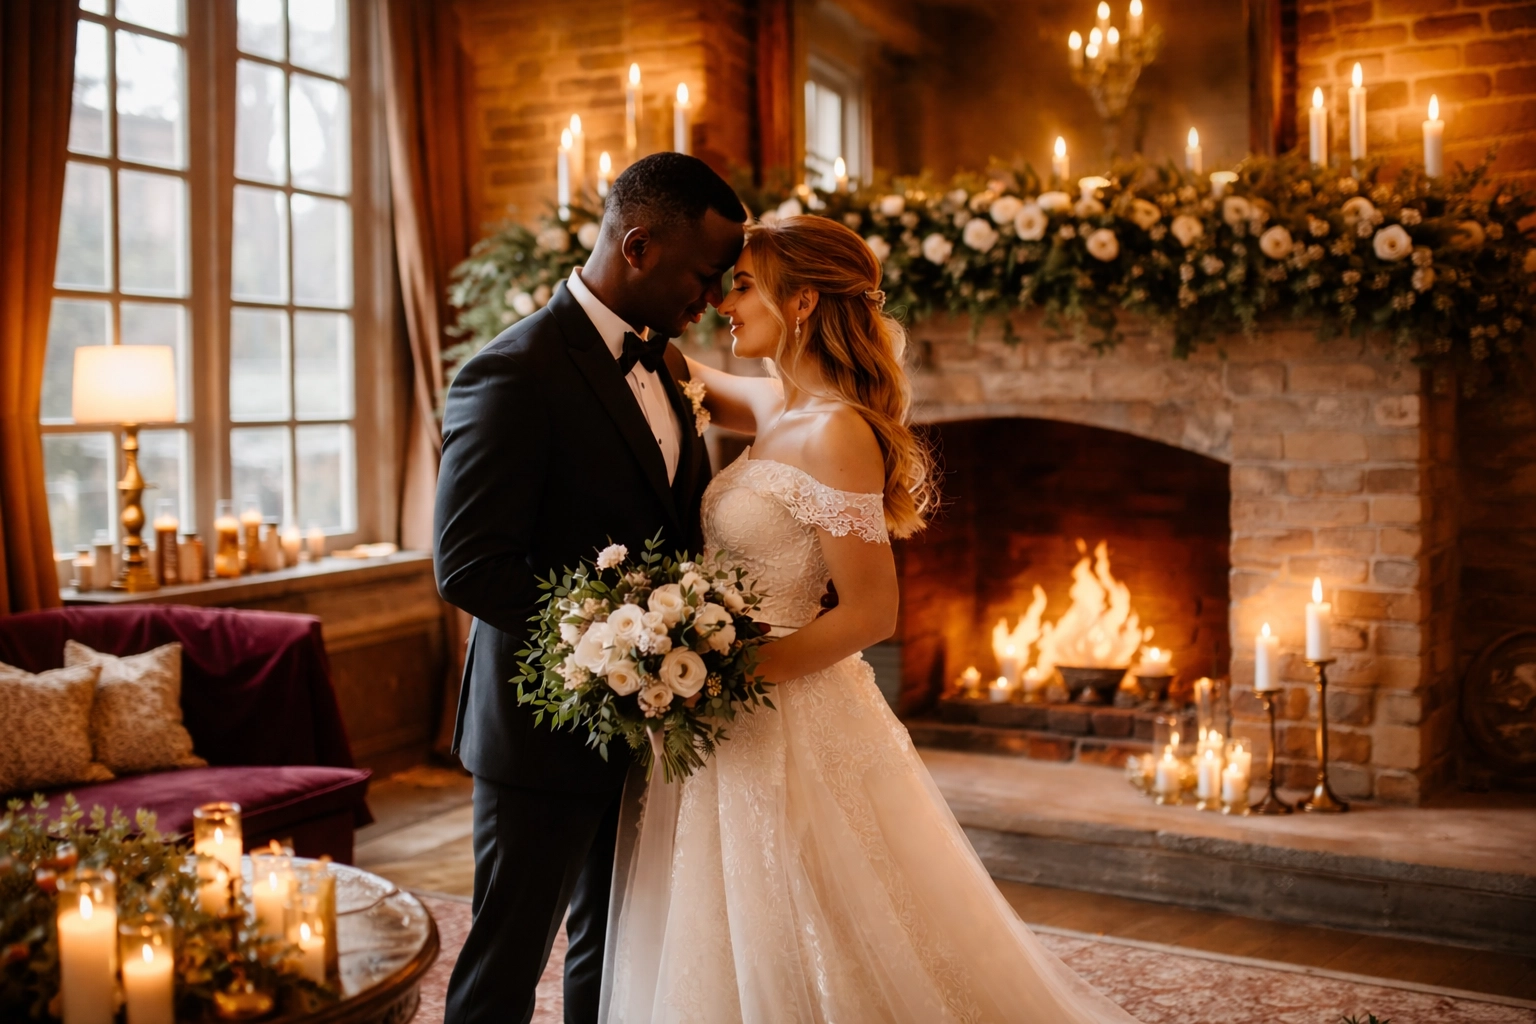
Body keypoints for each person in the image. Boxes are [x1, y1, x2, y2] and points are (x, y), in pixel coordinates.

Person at [599, 215, 1141, 1023]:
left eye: (742, 286)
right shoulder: (777, 402)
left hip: (782, 706)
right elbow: (673, 365)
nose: (723, 303)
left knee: (827, 917)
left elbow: (874, 611)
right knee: (729, 920)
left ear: (805, 301)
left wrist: (725, 677)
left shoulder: (838, 433)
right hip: (720, 713)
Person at [433, 152, 747, 1024]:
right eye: (702, 276)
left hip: (650, 724)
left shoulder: (674, 369)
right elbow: (469, 562)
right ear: (639, 246)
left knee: (612, 955)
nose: (711, 300)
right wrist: (623, 643)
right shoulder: (512, 372)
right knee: (506, 959)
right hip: (539, 729)